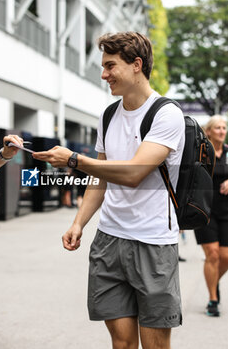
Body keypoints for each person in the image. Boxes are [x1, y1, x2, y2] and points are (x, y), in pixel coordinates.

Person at [33, 32, 185, 349]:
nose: (104, 75)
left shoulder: (166, 114)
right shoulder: (109, 114)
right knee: (122, 342)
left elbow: (133, 173)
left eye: (110, 66)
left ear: (136, 65)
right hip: (109, 240)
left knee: (154, 344)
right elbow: (100, 178)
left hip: (153, 243)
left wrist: (74, 159)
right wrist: (79, 223)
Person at [194, 115, 228, 317]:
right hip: (204, 210)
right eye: (218, 128)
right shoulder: (201, 153)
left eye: (224, 127)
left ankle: (213, 282)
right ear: (208, 131)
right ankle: (213, 299)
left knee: (225, 257)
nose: (222, 131)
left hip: (226, 211)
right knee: (212, 255)